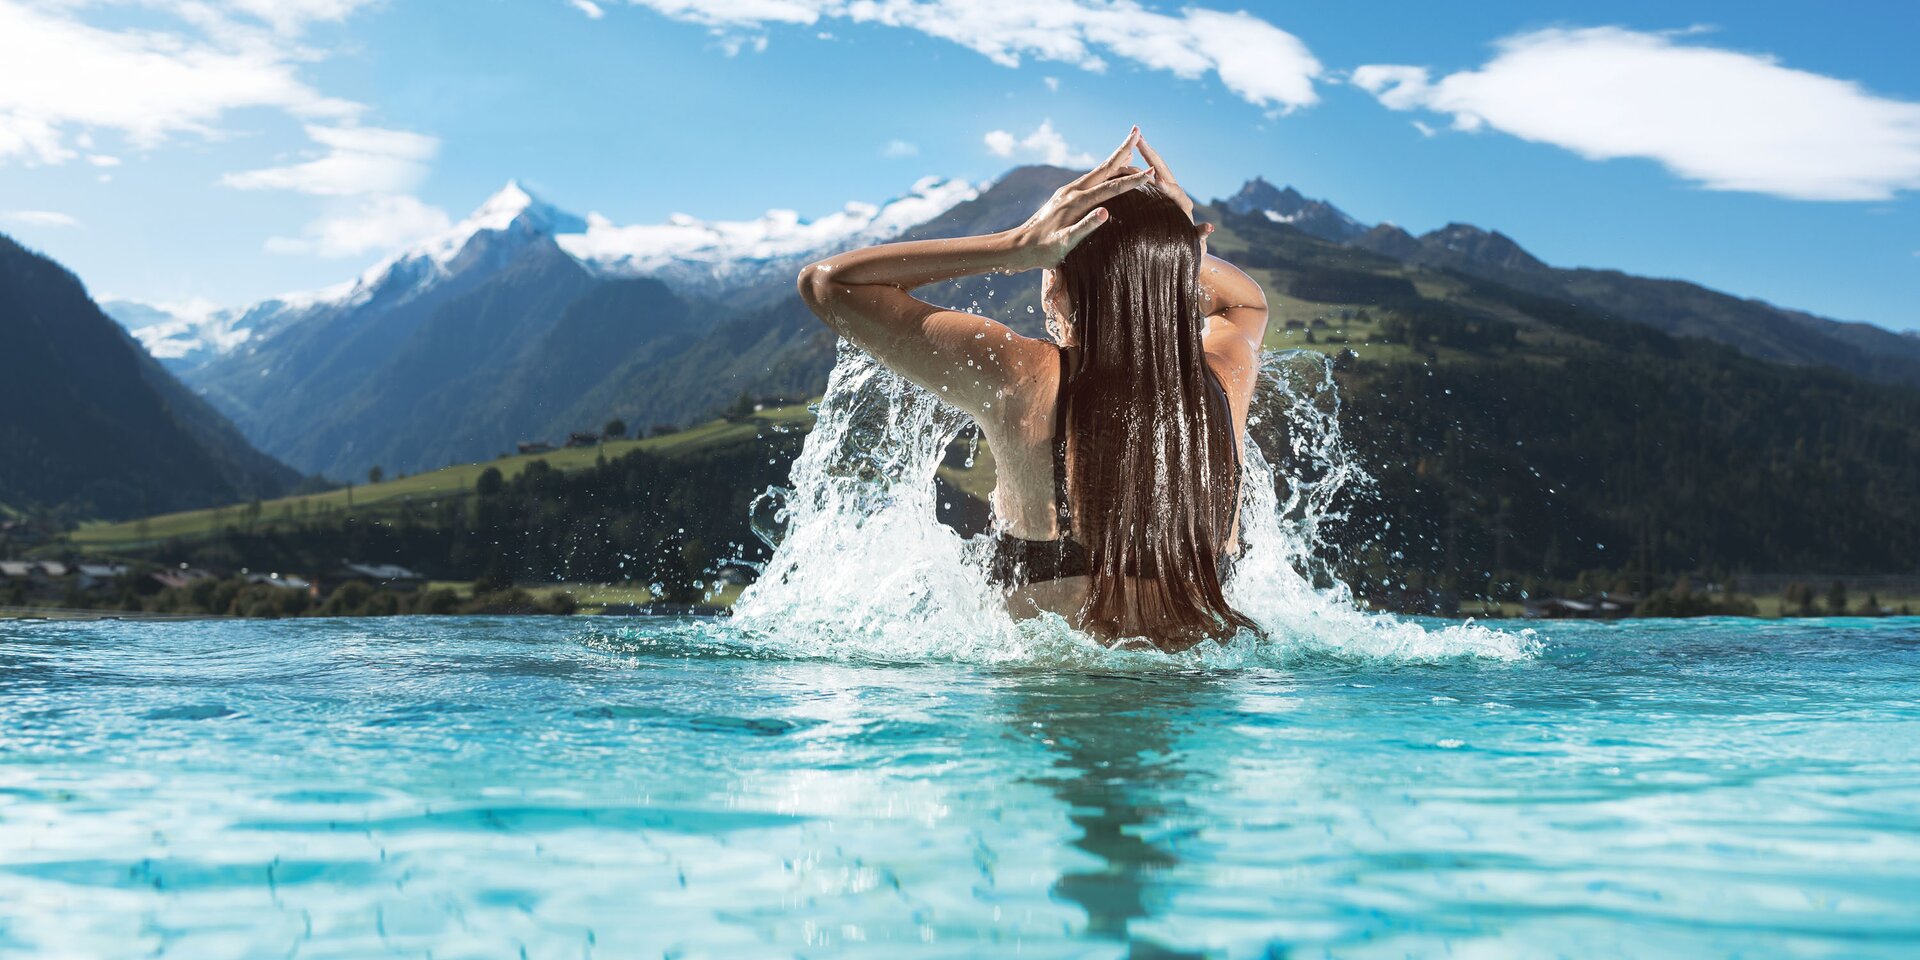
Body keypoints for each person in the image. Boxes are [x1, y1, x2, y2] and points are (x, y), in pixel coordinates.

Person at [797, 127, 1268, 651]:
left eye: (1049, 263)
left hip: (1051, 701)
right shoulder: (1224, 383)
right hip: (1199, 707)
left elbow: (829, 284)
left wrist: (1015, 245)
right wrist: (1171, 246)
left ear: (1058, 278)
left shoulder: (1022, 373)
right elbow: (1245, 305)